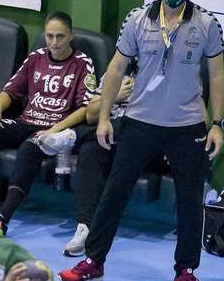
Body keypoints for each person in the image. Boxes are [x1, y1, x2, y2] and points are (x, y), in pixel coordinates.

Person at [59, 0, 224, 281]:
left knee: (190, 199)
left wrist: (217, 125)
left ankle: (185, 272)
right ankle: (93, 260)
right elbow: (116, 70)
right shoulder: (138, 19)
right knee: (115, 191)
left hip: (187, 124)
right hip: (139, 122)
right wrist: (104, 117)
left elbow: (218, 76)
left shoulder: (206, 24)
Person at [0, 11, 96, 236]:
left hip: (55, 129)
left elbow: (86, 109)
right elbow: (10, 90)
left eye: (60, 36)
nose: (54, 42)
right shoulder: (36, 57)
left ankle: (4, 217)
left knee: (30, 147)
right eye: (49, 36)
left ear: (71, 36)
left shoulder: (82, 63)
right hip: (26, 121)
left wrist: (56, 129)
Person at [62, 58, 167, 257]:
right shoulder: (117, 73)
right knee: (90, 151)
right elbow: (91, 115)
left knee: (128, 125)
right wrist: (115, 97)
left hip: (149, 145)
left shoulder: (167, 75)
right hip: (110, 140)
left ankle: (73, 136)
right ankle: (84, 228)